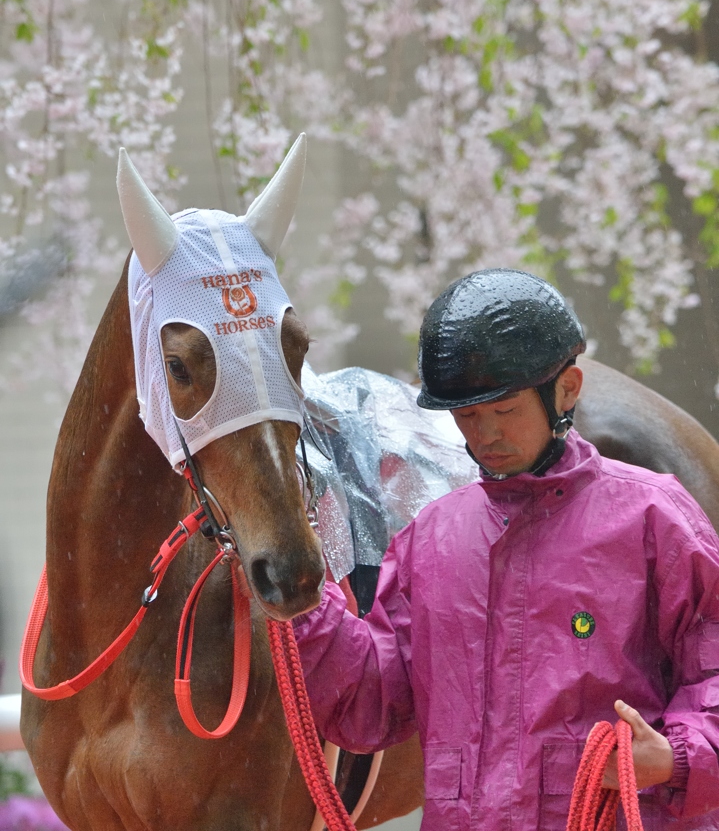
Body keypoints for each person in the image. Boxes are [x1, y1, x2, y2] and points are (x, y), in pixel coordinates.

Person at [294, 269, 719, 831]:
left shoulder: (654, 517)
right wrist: (306, 601)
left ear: (566, 389)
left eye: (504, 411)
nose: (485, 434)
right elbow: (373, 700)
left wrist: (674, 757)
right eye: (468, 416)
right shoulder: (432, 538)